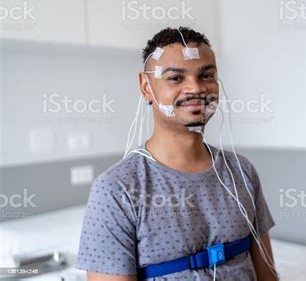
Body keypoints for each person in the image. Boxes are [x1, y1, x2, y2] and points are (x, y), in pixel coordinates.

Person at [76, 27, 277, 280]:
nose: (195, 88)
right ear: (146, 87)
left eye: (206, 75)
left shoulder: (241, 172)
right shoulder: (117, 189)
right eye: (175, 78)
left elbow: (267, 273)